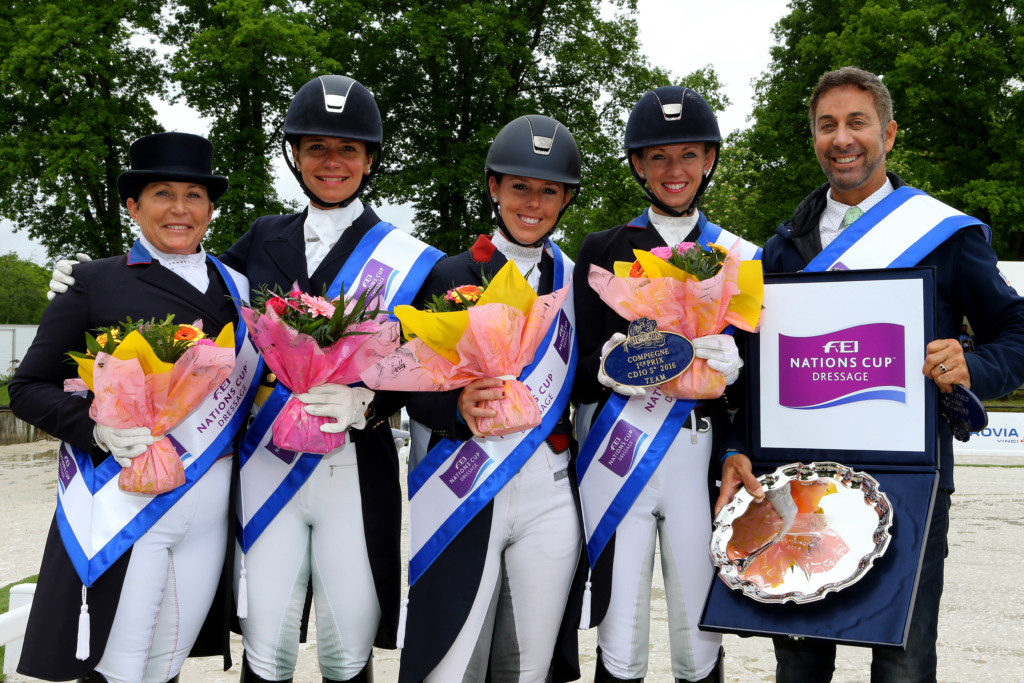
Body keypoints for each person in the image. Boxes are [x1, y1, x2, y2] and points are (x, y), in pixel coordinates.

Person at [718, 66, 1024, 682]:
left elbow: (1015, 331)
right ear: (813, 141)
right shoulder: (779, 251)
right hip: (798, 481)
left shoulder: (946, 236)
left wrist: (974, 365)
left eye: (857, 122)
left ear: (887, 133)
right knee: (799, 664)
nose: (842, 138)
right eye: (827, 126)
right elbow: (751, 373)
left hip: (909, 480)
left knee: (903, 665)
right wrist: (736, 447)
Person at [11, 132, 261, 682]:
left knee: (167, 662)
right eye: (162, 194)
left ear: (211, 208)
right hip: (130, 501)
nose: (179, 209)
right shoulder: (94, 282)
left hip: (212, 503)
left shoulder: (237, 288)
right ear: (133, 206)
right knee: (118, 667)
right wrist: (98, 430)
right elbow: (27, 387)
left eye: (193, 195)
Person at [218, 74, 442, 683]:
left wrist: (369, 400)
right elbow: (201, 305)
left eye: (347, 148)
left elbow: (433, 359)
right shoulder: (262, 236)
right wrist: (100, 289)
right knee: (268, 648)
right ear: (295, 154)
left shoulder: (411, 258)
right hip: (268, 461)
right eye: (316, 147)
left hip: (356, 462)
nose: (332, 162)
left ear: (370, 159)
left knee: (347, 651)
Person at [573, 86, 758, 683]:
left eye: (687, 155)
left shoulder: (738, 255)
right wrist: (604, 369)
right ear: (637, 165)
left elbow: (754, 390)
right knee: (620, 634)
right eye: (657, 157)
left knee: (698, 634)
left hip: (700, 456)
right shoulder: (602, 250)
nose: (673, 171)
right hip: (621, 448)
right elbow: (577, 377)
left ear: (709, 160)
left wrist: (737, 368)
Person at [397, 114, 585, 682]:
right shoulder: (445, 273)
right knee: (452, 663)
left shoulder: (576, 281)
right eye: (520, 186)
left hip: (549, 487)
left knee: (527, 663)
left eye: (549, 190)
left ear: (565, 198)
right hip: (466, 476)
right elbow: (409, 382)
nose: (533, 202)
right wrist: (455, 407)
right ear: (494, 188)